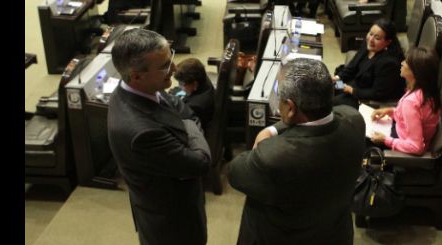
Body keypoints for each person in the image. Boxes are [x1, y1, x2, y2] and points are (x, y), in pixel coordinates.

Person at [228, 58, 365, 245]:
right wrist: (273, 129)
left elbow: (235, 172)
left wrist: (265, 138)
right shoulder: (355, 120)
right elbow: (330, 115)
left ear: (291, 108)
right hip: (334, 233)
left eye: (279, 96)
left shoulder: (273, 157)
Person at [107, 29, 210, 245]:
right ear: (136, 75)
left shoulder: (144, 87)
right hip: (172, 224)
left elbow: (185, 111)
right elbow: (200, 163)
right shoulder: (142, 133)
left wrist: (187, 124)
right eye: (165, 65)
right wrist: (190, 126)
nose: (173, 68)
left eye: (170, 57)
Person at [369, 47, 441, 156]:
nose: (402, 63)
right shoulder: (425, 90)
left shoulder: (411, 102)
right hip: (399, 131)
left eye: (406, 62)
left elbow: (416, 147)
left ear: (415, 72)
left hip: (399, 141)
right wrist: (390, 111)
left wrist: (385, 140)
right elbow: (414, 117)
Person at [332, 19, 405, 108]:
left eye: (377, 38)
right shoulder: (367, 44)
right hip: (355, 84)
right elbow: (352, 67)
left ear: (388, 42)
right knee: (327, 87)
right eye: (370, 34)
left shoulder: (389, 63)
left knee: (331, 103)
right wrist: (337, 78)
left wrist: (352, 91)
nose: (371, 39)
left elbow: (378, 93)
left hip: (365, 98)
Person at [173, 58, 215, 131]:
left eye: (182, 84)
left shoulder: (195, 106)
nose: (180, 86)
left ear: (195, 84)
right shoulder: (204, 80)